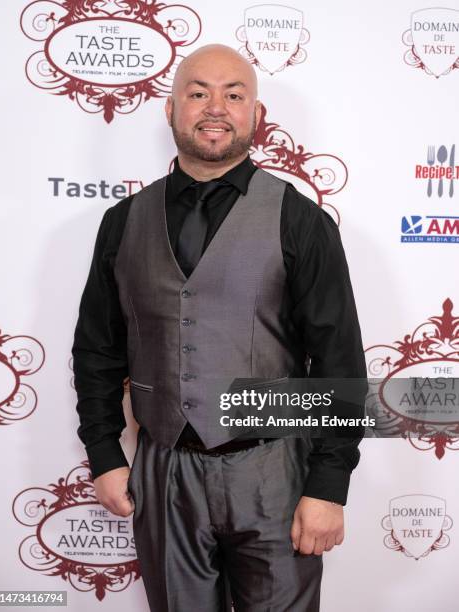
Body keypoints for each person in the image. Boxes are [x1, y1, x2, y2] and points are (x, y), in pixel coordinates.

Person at [72, 44, 366, 611]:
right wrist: (104, 452)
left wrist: (328, 485)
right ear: (170, 109)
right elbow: (97, 349)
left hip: (273, 469)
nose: (216, 108)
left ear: (256, 115)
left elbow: (339, 360)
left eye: (234, 95)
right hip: (163, 470)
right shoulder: (123, 222)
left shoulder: (299, 219)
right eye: (198, 92)